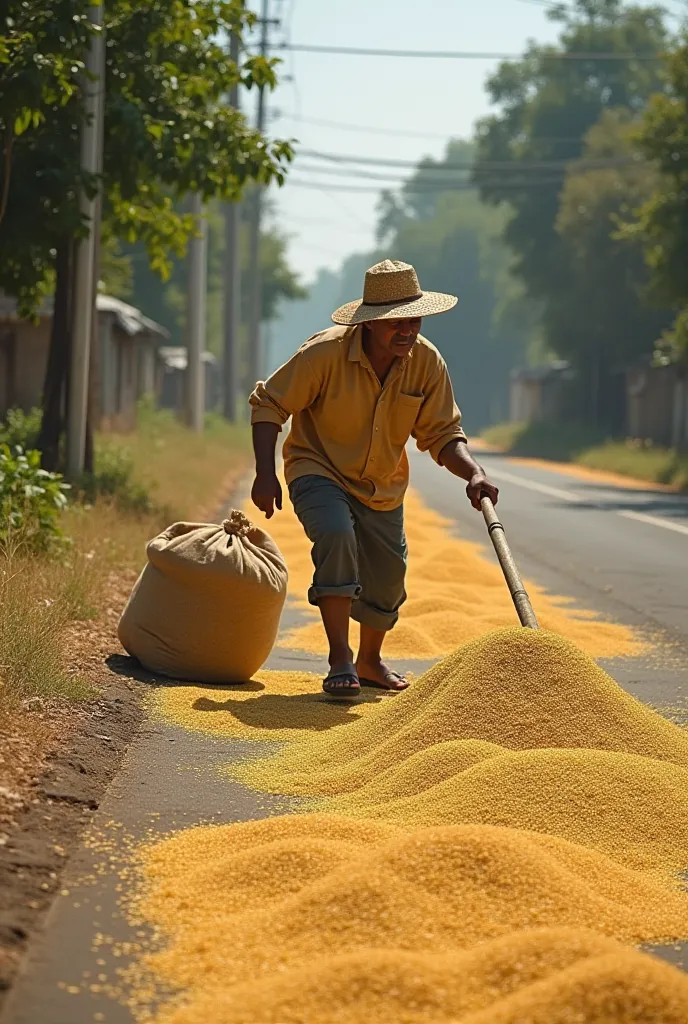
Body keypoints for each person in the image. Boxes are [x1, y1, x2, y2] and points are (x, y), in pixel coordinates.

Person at [249, 259, 499, 699]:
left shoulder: (425, 362)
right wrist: (265, 474)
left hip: (382, 484)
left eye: (414, 319)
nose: (407, 331)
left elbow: (441, 434)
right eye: (395, 322)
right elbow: (269, 404)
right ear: (370, 323)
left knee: (388, 576)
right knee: (336, 534)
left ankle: (368, 661)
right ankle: (340, 658)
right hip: (318, 467)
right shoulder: (323, 354)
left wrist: (473, 472)